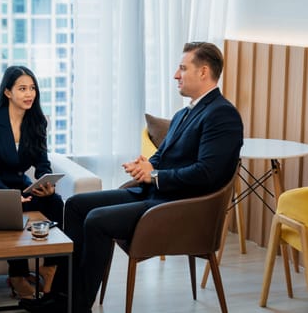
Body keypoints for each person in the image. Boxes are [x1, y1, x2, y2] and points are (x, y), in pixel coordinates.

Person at [61, 42, 244, 313]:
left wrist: (155, 175)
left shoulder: (222, 115)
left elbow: (207, 173)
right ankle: (62, 295)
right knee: (75, 205)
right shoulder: (185, 113)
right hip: (155, 196)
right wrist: (145, 165)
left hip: (179, 209)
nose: (175, 75)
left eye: (183, 68)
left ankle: (77, 306)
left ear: (204, 72)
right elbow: (164, 157)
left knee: (97, 220)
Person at [0, 65, 64, 303]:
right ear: (8, 92)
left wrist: (46, 182)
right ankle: (18, 274)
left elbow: (42, 163)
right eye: (22, 88)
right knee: (13, 208)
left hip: (19, 184)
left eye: (32, 88)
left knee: (55, 201)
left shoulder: (37, 122)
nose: (29, 93)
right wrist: (7, 194)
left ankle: (50, 267)